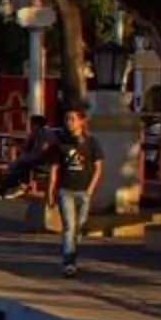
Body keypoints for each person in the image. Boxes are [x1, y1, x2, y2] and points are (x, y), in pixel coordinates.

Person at [46, 106, 103, 276]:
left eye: (73, 119)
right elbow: (54, 169)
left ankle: (72, 252)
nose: (69, 122)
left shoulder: (91, 143)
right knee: (69, 227)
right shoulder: (60, 143)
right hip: (66, 190)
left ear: (81, 121)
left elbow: (98, 168)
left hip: (83, 191)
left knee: (79, 228)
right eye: (67, 119)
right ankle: (69, 262)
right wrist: (51, 192)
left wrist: (90, 190)